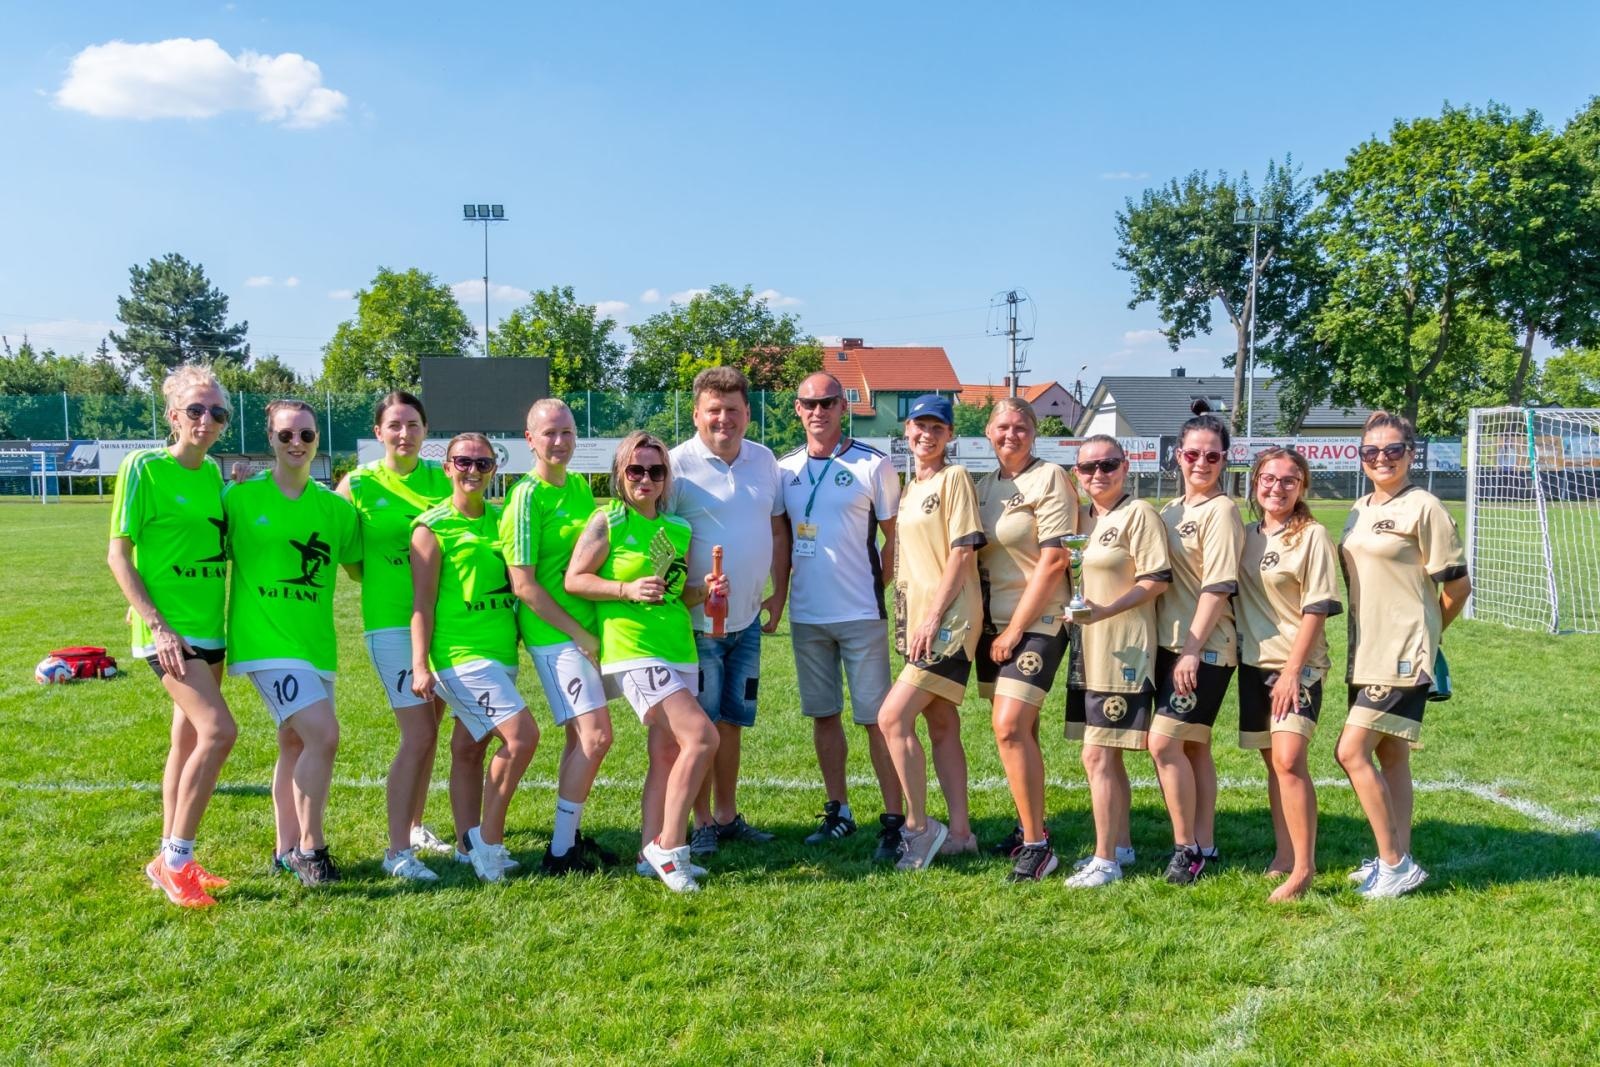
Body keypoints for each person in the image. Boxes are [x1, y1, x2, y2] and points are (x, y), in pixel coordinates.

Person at [566, 430, 725, 892]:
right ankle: (671, 848)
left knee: (668, 751)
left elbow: (677, 594)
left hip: (678, 645)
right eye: (636, 470)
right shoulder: (608, 520)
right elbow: (575, 579)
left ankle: (646, 852)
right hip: (632, 647)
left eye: (655, 471)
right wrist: (624, 589)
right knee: (701, 738)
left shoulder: (678, 529)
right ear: (621, 472)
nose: (646, 479)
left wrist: (708, 591)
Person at [107, 364, 237, 908]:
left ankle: (170, 855)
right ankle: (176, 859)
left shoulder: (212, 476)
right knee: (219, 731)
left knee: (185, 740)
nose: (206, 420)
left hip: (212, 628)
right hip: (169, 633)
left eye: (217, 413)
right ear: (172, 415)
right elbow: (119, 553)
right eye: (196, 410)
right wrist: (155, 623)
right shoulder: (143, 467)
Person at [224, 399, 361, 887]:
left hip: (315, 645)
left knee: (296, 743)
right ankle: (312, 848)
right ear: (271, 441)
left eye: (305, 434)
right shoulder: (237, 497)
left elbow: (362, 566)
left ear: (317, 439)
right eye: (286, 435)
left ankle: (284, 850)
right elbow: (191, 544)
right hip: (264, 642)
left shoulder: (334, 508)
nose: (296, 443)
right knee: (324, 734)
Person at [1336, 412, 1470, 898]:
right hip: (1365, 650)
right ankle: (1397, 854)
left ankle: (1395, 865)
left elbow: (1457, 585)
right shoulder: (1358, 507)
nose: (1381, 459)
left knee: (1350, 751)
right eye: (1370, 452)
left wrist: (1425, 637)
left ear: (1411, 453)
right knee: (1390, 754)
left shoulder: (1425, 506)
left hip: (1401, 653)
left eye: (1392, 450)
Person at [778, 372, 905, 860]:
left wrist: (880, 586)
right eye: (809, 403)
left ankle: (893, 820)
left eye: (828, 402)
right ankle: (840, 811)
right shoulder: (783, 468)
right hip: (808, 616)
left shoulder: (873, 464)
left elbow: (895, 537)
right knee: (823, 715)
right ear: (797, 408)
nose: (819, 410)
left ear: (842, 407)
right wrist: (780, 596)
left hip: (860, 613)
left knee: (877, 720)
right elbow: (781, 539)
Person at [667, 367, 789, 856]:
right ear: (696, 414)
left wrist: (778, 593)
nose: (724, 420)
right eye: (713, 411)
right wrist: (685, 592)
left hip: (746, 623)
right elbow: (661, 543)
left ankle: (726, 814)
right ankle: (700, 824)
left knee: (732, 722)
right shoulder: (675, 467)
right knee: (699, 725)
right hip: (696, 626)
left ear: (747, 414)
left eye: (733, 410)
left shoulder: (765, 462)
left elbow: (777, 529)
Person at [335, 391, 453, 883]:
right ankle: (396, 850)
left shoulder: (441, 479)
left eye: (413, 424)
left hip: (446, 622)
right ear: (379, 432)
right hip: (390, 624)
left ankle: (418, 824)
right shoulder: (357, 484)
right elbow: (350, 558)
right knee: (418, 733)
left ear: (425, 430)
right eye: (394, 425)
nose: (404, 434)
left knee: (433, 730)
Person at [499, 398, 619, 875]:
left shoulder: (578, 489)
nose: (559, 442)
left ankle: (567, 840)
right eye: (549, 433)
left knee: (579, 738)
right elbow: (524, 584)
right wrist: (578, 635)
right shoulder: (526, 496)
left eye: (567, 433)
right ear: (529, 439)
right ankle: (559, 852)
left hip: (584, 632)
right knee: (596, 738)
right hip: (555, 636)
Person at [410, 433, 533, 883]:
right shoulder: (431, 527)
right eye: (463, 462)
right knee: (521, 738)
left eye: (483, 463)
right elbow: (421, 604)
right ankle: (488, 842)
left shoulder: (502, 521)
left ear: (493, 470)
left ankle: (465, 845)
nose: (473, 471)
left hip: (500, 651)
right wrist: (421, 665)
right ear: (447, 467)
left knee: (469, 747)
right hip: (459, 655)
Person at [878, 394, 984, 871]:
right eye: (919, 425)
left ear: (950, 435)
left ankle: (920, 829)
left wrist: (932, 618)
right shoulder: (909, 486)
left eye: (937, 427)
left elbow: (962, 553)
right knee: (942, 726)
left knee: (891, 719)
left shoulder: (954, 478)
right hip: (918, 624)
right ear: (906, 431)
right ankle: (961, 834)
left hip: (947, 624)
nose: (927, 434)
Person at [974, 397, 1075, 881]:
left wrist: (1016, 629)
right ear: (988, 432)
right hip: (992, 626)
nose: (1010, 434)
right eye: (1001, 426)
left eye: (1020, 426)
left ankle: (1039, 847)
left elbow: (1056, 560)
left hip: (1038, 621)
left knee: (1009, 725)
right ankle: (1028, 826)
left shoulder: (1049, 477)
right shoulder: (984, 485)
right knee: (1022, 731)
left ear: (1034, 433)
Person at [1063, 435, 1170, 889]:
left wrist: (1104, 611)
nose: (1097, 475)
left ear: (1125, 467)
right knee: (1103, 752)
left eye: (1108, 465)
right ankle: (1121, 844)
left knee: (1097, 754)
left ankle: (1104, 860)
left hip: (1124, 647)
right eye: (1087, 468)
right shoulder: (1084, 518)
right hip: (1088, 648)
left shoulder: (1139, 513)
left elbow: (1156, 580)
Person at [1237, 446, 1341, 902]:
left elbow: (1316, 609)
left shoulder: (1313, 536)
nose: (1276, 487)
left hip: (1296, 668)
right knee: (1273, 764)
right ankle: (1283, 856)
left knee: (1289, 761)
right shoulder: (1245, 535)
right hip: (1252, 664)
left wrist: (1292, 671)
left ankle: (1303, 868)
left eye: (1288, 480)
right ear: (1255, 481)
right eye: (1268, 478)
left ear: (1302, 488)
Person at [1151, 401, 1245, 884]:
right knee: (1192, 748)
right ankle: (1206, 844)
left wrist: (1191, 650)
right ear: (1178, 457)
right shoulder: (1170, 509)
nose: (1201, 463)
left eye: (1212, 456)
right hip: (1169, 644)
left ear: (1225, 459)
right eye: (1193, 455)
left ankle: (1184, 847)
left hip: (1204, 647)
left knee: (1163, 743)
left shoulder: (1222, 510)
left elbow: (1219, 585)